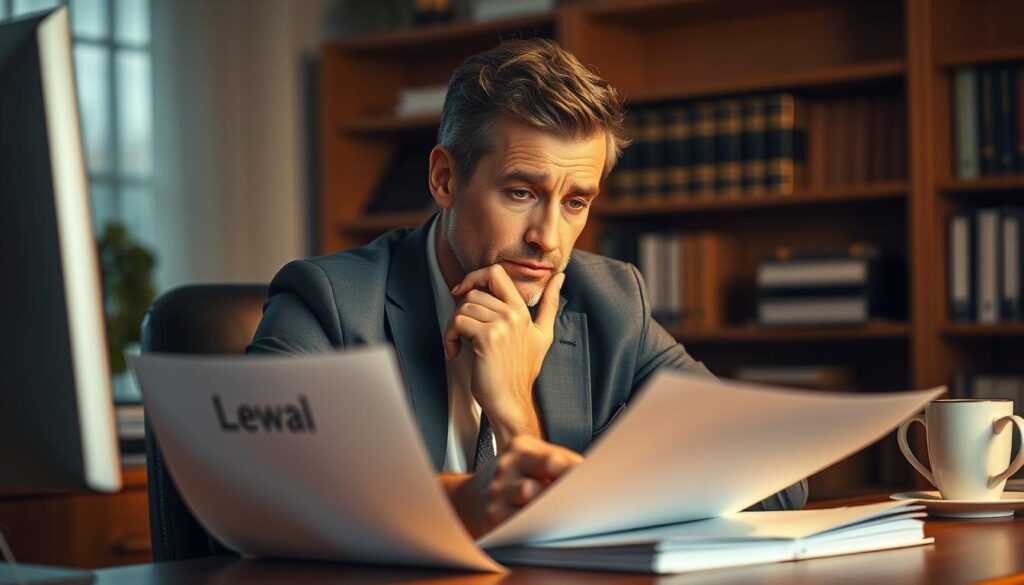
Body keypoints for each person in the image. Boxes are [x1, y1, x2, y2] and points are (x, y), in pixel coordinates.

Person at [248, 38, 806, 538]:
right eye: (520, 193)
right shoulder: (329, 301)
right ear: (445, 178)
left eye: (575, 202)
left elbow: (776, 477)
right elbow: (269, 484)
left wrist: (517, 416)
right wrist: (470, 501)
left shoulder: (611, 301)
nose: (548, 239)